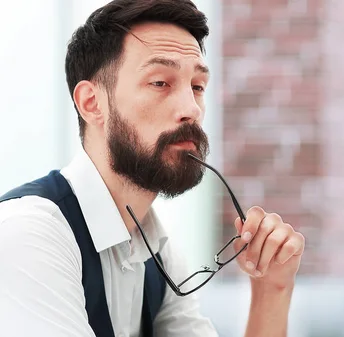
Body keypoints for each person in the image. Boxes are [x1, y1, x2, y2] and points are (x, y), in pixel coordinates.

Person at [0, 1, 305, 336]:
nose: (192, 109)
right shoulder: (29, 235)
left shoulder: (158, 256)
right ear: (92, 103)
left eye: (198, 87)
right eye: (160, 83)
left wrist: (272, 290)